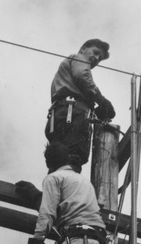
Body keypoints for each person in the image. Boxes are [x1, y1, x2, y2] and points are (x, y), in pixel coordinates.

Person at [45, 39, 116, 173]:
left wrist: (95, 106)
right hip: (72, 115)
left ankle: (55, 189)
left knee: (57, 163)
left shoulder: (65, 73)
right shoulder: (79, 58)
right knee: (73, 159)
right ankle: (68, 189)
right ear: (83, 48)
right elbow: (82, 76)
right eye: (95, 53)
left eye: (99, 58)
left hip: (59, 116)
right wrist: (101, 100)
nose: (96, 58)